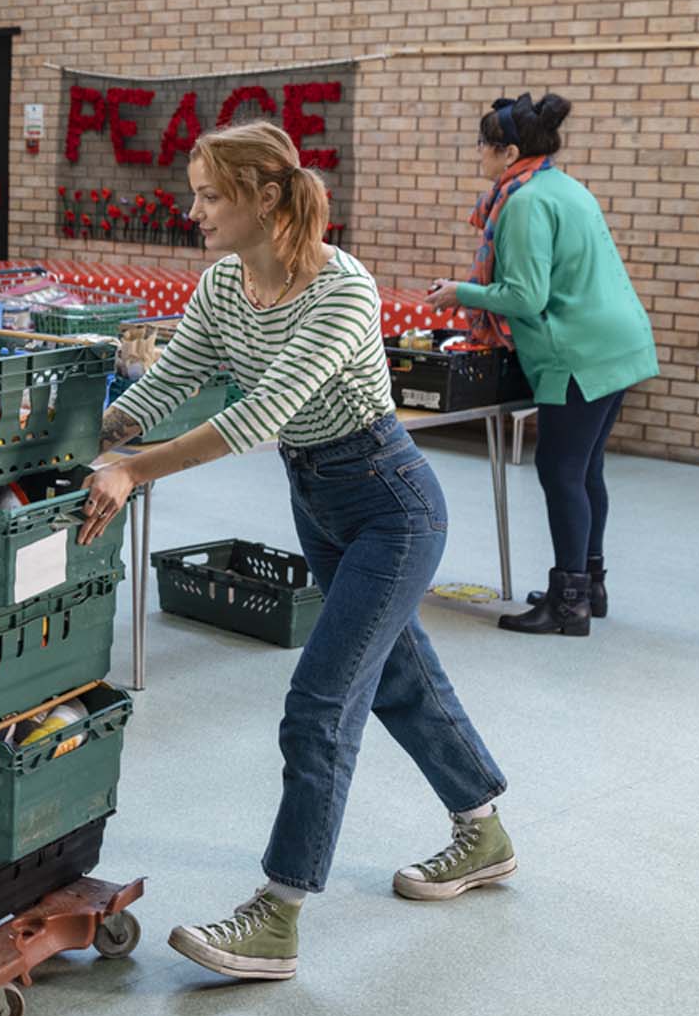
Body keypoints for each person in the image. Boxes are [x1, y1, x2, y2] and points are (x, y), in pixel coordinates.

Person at [81, 122, 510, 982]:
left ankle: (277, 914)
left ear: (266, 196)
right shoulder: (224, 287)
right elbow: (176, 379)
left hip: (391, 503)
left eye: (210, 195)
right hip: (317, 499)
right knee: (395, 675)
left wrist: (132, 469)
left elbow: (254, 417)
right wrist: (96, 427)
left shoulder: (342, 288)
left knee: (321, 700)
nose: (193, 210)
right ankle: (484, 829)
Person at [428, 93, 657, 636]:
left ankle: (568, 605)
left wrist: (459, 291)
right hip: (615, 343)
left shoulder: (525, 203)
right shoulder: (563, 185)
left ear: (508, 153)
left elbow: (526, 297)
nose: (478, 153)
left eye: (483, 144)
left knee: (560, 472)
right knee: (585, 470)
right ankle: (587, 586)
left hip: (577, 353)